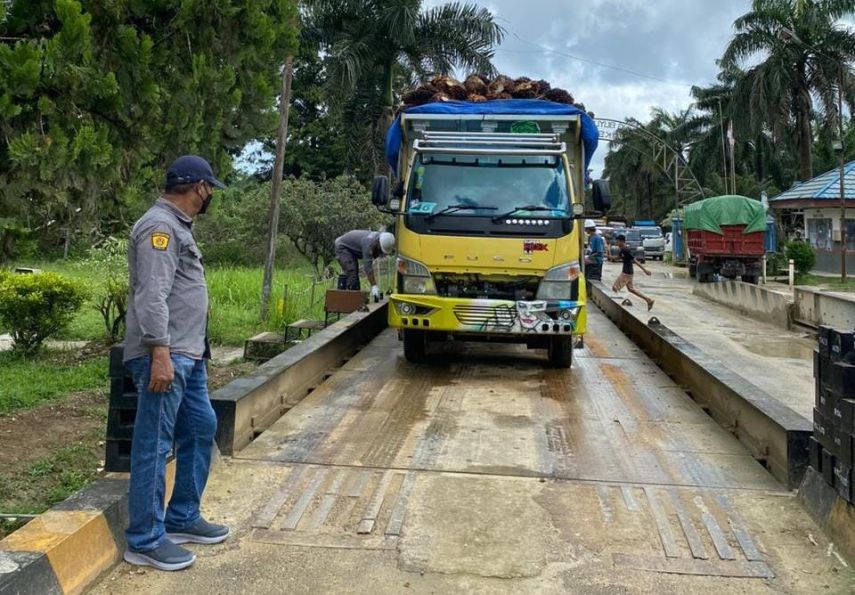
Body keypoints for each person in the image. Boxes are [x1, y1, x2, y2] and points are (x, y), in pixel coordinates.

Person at [122, 155, 228, 571]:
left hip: (189, 355)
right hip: (165, 356)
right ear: (199, 187)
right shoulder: (160, 227)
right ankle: (145, 539)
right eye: (210, 189)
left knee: (201, 428)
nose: (210, 196)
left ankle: (182, 516)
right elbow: (152, 295)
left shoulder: (176, 228)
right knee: (155, 444)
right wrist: (160, 354)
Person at [334, 230, 396, 300]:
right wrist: (374, 286)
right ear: (379, 243)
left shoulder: (380, 238)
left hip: (349, 248)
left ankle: (355, 297)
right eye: (380, 250)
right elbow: (368, 267)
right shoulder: (368, 244)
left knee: (354, 272)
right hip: (342, 247)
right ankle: (351, 301)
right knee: (352, 271)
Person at [612, 233, 655, 311]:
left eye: (618, 241)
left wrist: (645, 270)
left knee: (615, 288)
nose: (616, 243)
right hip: (627, 272)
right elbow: (619, 257)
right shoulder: (622, 250)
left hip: (626, 273)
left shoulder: (626, 250)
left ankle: (614, 307)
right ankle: (648, 300)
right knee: (631, 289)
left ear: (622, 241)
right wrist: (610, 256)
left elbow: (634, 260)